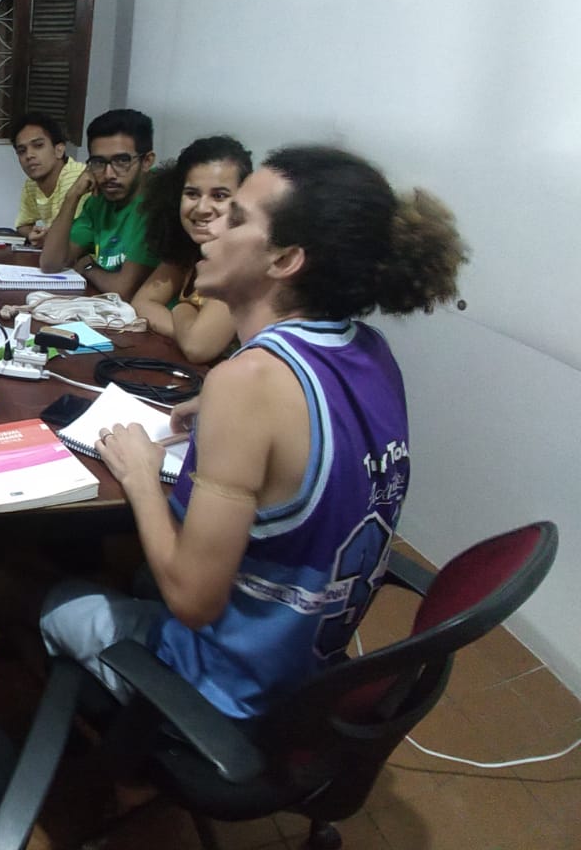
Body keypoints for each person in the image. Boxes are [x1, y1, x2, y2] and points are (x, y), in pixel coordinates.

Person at [40, 145, 468, 719]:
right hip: (310, 665)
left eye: (236, 216)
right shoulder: (370, 350)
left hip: (230, 691)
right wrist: (220, 408)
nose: (210, 225)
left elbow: (192, 600)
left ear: (285, 259)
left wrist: (141, 473)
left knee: (50, 595)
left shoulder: (247, 383)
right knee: (132, 568)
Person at [131, 136, 253, 363]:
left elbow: (198, 348)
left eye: (219, 196)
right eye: (192, 194)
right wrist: (187, 330)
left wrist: (183, 308)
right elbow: (141, 303)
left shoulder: (245, 261)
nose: (202, 208)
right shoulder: (191, 246)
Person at [39, 108, 161, 300]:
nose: (108, 174)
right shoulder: (98, 202)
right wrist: (73, 195)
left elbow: (123, 289)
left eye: (121, 161)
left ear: (147, 161)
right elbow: (50, 264)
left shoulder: (156, 206)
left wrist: (88, 268)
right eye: (98, 162)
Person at [9, 112, 86, 247]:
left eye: (38, 145)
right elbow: (23, 225)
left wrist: (48, 238)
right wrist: (32, 234)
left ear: (59, 150)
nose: (29, 155)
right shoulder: (31, 184)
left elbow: (70, 235)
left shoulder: (75, 177)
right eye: (22, 151)